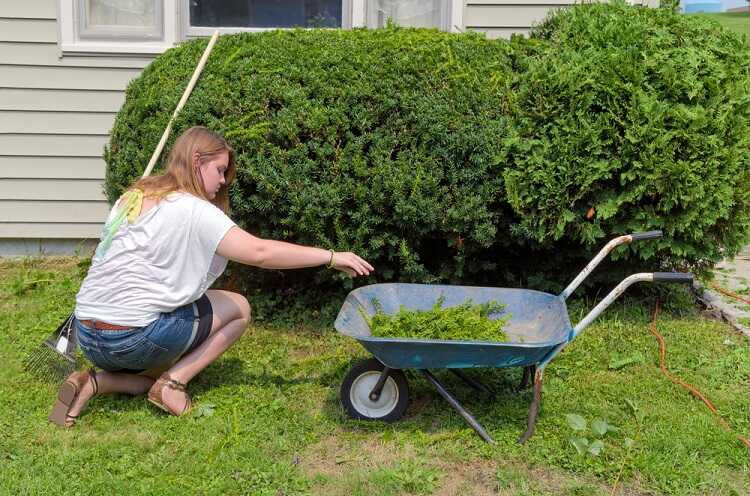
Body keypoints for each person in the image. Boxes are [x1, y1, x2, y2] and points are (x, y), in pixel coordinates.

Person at [49, 126, 373, 427]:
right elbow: (260, 253)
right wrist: (330, 257)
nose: (222, 182)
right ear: (196, 161)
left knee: (159, 354)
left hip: (87, 335)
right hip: (131, 339)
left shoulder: (131, 197)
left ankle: (94, 381)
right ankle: (172, 386)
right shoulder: (195, 210)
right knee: (238, 308)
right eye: (219, 170)